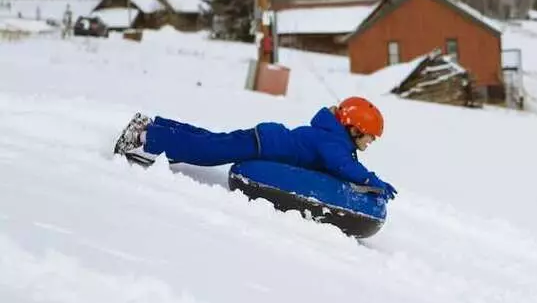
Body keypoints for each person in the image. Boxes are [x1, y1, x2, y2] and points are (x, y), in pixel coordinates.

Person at [113, 96, 398, 199]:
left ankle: (155, 126)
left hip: (265, 139)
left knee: (212, 141)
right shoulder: (333, 141)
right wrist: (371, 180)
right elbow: (342, 166)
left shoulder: (332, 135)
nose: (370, 142)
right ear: (354, 128)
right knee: (207, 151)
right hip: (263, 145)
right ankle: (144, 139)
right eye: (369, 136)